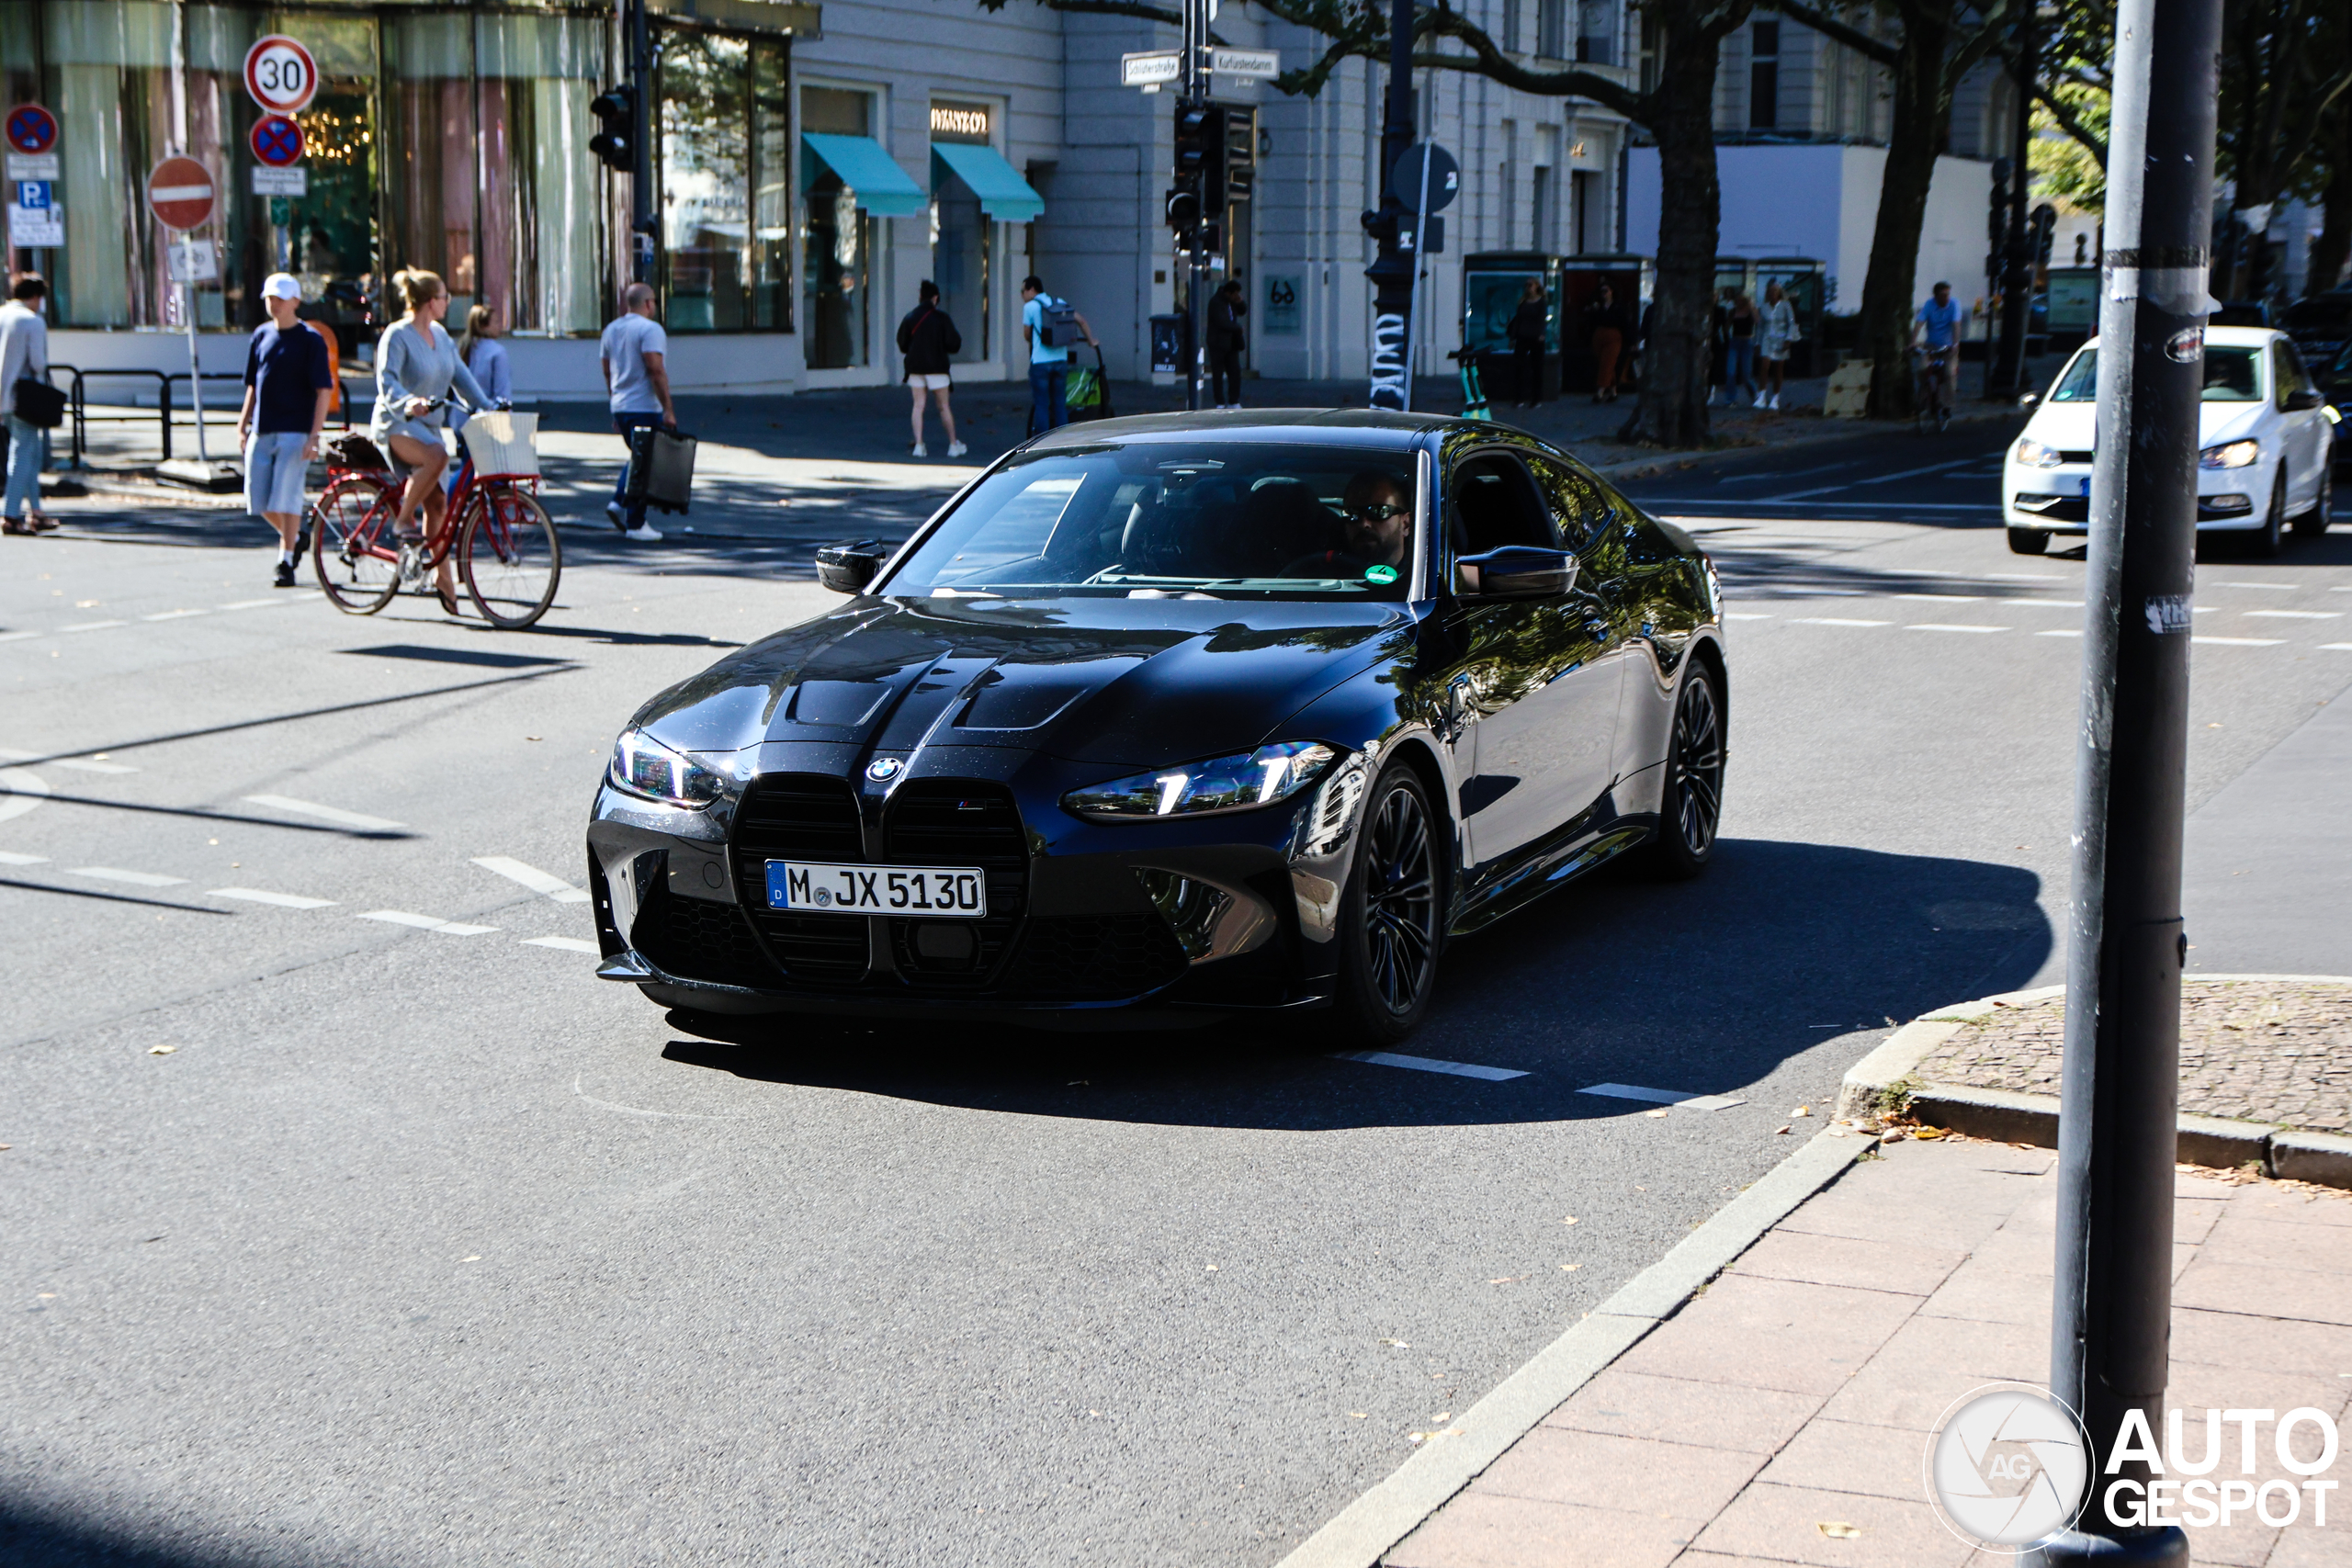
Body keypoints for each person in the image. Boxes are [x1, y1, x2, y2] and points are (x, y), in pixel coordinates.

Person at [371, 268, 489, 613]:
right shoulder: (397, 335)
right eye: (443, 297)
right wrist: (409, 402)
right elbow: (387, 381)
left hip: (430, 427)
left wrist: (488, 404)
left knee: (439, 506)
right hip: (396, 422)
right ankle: (403, 520)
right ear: (428, 302)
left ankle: (444, 579)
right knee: (436, 456)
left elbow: (461, 376)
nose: (447, 303)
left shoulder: (440, 335)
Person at [237, 273, 334, 587]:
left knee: (287, 497)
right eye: (269, 298)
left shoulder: (310, 340)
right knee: (258, 499)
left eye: (279, 298)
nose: (273, 303)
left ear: (295, 301)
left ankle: (285, 559)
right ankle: (298, 536)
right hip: (263, 429)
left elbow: (323, 390)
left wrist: (314, 436)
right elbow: (254, 383)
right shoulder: (261, 335)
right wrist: (243, 422)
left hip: (296, 431)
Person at [601, 281, 675, 542]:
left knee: (639, 457)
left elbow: (607, 370)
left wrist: (615, 405)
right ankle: (635, 521)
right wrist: (668, 408)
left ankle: (619, 502)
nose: (654, 305)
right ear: (647, 304)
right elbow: (655, 369)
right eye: (653, 300)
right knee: (644, 463)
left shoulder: (611, 330)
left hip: (621, 405)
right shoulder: (650, 330)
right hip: (644, 405)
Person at [1283, 470, 1413, 578]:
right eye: (1352, 514)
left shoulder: (1424, 577)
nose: (1364, 524)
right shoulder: (1320, 577)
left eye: (1379, 512)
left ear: (1406, 524)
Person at [1, 273, 54, 536]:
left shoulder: (1, 315)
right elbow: (38, 363)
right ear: (35, 297)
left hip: (2, 397)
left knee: (28, 453)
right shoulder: (32, 321)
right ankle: (10, 515)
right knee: (22, 455)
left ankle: (37, 511)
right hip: (24, 397)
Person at [897, 281, 966, 457]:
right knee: (943, 406)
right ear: (935, 298)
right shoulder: (942, 318)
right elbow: (954, 343)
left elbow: (902, 343)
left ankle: (919, 445)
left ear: (921, 297)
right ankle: (952, 444)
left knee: (918, 406)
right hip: (938, 368)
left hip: (915, 367)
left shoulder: (910, 317)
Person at [1020, 276, 1096, 434]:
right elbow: (1080, 320)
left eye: (1023, 291)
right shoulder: (1059, 302)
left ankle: (1042, 442)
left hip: (1040, 362)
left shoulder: (1030, 307)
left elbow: (1026, 334)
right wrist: (1091, 340)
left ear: (1032, 290)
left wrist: (1034, 340)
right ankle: (1063, 438)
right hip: (1060, 360)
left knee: (1041, 404)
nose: (1022, 295)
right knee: (1059, 403)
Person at [453, 304, 512, 431]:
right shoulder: (497, 352)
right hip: (487, 421)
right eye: (495, 322)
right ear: (483, 327)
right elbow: (502, 391)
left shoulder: (463, 347)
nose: (499, 326)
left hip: (461, 419)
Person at [1912, 280, 1966, 417]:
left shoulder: (1954, 304)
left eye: (1948, 295)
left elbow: (1956, 325)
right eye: (1943, 295)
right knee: (1921, 369)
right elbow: (1919, 323)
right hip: (1931, 345)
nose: (1946, 298)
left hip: (1948, 347)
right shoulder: (1929, 305)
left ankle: (1948, 405)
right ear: (1935, 296)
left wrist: (1955, 344)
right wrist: (1912, 342)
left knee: (1949, 373)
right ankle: (1924, 399)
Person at [1756, 281, 1799, 410]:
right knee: (1764, 366)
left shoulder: (1786, 305)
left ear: (1779, 293)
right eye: (1770, 291)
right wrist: (1757, 342)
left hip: (1781, 339)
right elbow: (1760, 327)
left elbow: (1792, 323)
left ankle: (1775, 398)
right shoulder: (1763, 307)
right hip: (1767, 339)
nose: (1772, 294)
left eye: (1775, 291)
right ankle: (1761, 396)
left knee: (1778, 369)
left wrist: (1788, 339)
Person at [1583, 283, 1629, 404]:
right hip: (1599, 335)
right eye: (1602, 291)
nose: (1604, 294)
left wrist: (1630, 340)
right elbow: (1591, 321)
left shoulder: (1619, 307)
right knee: (1607, 364)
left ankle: (1600, 392)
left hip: (1614, 336)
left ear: (1612, 292)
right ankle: (1613, 392)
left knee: (1607, 362)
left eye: (1606, 291)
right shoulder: (1598, 306)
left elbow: (1625, 323)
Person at [1207, 279, 1248, 409]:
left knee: (1235, 372)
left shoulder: (1232, 302)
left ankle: (1233, 401)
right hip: (1218, 343)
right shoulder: (1216, 302)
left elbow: (1242, 311)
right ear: (1228, 293)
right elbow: (1221, 322)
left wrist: (1239, 302)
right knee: (1218, 374)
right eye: (1235, 294)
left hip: (1231, 343)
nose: (1237, 296)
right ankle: (1219, 402)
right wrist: (1237, 328)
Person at [1720, 291, 1759, 407]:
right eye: (1737, 300)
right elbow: (1726, 328)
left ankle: (1754, 393)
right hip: (1735, 341)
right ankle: (1730, 399)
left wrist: (1751, 308)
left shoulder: (1751, 310)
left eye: (1742, 300)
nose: (1739, 302)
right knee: (1730, 372)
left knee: (1746, 374)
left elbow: (1758, 322)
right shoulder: (1733, 312)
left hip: (1747, 342)